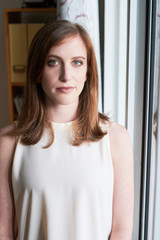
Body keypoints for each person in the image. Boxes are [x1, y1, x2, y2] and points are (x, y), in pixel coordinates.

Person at [0, 20, 134, 240]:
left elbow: (121, 230)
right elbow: (3, 232)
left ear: (88, 72)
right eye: (53, 62)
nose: (66, 76)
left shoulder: (116, 138)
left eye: (77, 62)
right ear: (37, 71)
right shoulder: (8, 142)